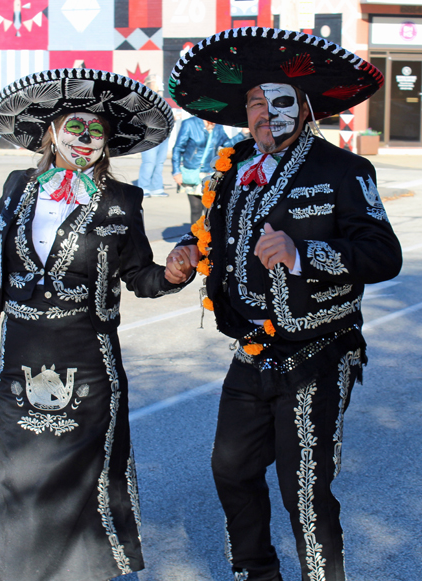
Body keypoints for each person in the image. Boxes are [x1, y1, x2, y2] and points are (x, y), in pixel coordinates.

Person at [166, 27, 402, 581]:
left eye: (281, 101)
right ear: (243, 112)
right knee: (230, 468)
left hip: (320, 350)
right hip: (251, 351)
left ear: (304, 107)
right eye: (255, 102)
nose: (266, 114)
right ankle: (257, 572)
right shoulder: (233, 169)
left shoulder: (343, 170)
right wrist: (186, 252)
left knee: (305, 487)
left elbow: (383, 255)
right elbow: (213, 234)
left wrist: (303, 254)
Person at [0, 68, 194, 581]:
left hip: (88, 360)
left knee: (85, 480)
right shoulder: (16, 188)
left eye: (95, 131)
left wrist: (172, 275)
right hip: (21, 357)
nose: (84, 138)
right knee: (22, 478)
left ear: (107, 143)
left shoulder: (123, 202)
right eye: (75, 126)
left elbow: (140, 277)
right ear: (52, 131)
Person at [172, 116, 247, 224]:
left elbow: (227, 145)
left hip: (209, 173)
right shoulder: (189, 124)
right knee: (195, 209)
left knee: (209, 209)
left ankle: (207, 237)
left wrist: (242, 133)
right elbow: (178, 148)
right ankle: (195, 237)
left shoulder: (218, 126)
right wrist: (176, 172)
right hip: (192, 171)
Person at [137, 74, 169, 197]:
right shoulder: (144, 98)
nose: (160, 84)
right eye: (157, 82)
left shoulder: (160, 98)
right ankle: (144, 187)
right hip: (149, 134)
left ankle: (156, 187)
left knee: (159, 162)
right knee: (149, 161)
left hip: (163, 134)